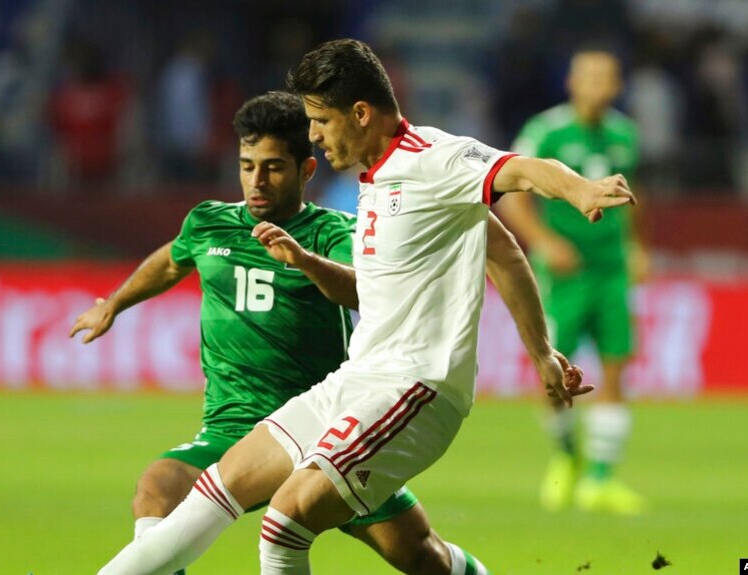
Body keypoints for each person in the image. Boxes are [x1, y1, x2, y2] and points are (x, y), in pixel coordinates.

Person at [97, 38, 634, 575]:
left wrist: (580, 189)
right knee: (218, 488)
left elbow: (524, 169)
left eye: (320, 120)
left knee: (284, 523)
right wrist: (541, 351)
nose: (312, 134)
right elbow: (504, 252)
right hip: (359, 378)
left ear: (360, 113)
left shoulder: (435, 159)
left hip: (417, 386)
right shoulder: (375, 180)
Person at [497, 47, 647, 516]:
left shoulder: (626, 134)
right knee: (555, 374)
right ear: (573, 82)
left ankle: (600, 479)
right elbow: (510, 197)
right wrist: (543, 242)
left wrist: (637, 245)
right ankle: (567, 462)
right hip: (564, 274)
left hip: (611, 271)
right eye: (591, 77)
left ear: (617, 85)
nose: (599, 85)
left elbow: (634, 199)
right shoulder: (547, 132)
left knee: (617, 364)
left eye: (608, 77)